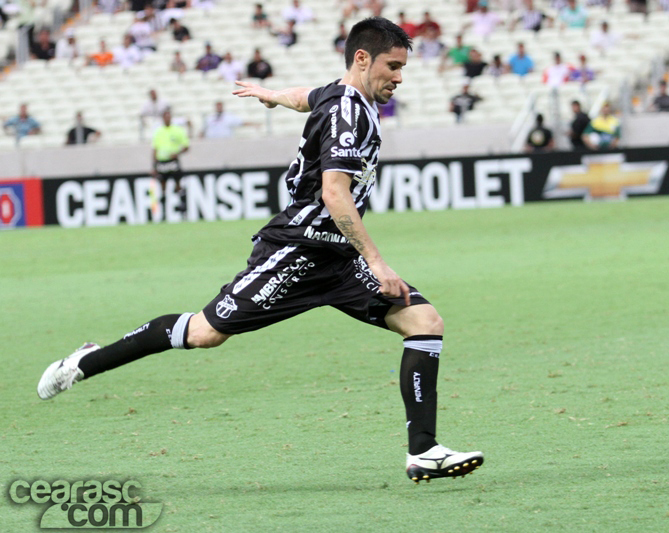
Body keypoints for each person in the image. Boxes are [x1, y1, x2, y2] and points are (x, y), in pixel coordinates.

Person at [37, 16, 484, 485]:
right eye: (393, 66)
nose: (399, 77)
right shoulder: (348, 111)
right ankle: (85, 362)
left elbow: (303, 97)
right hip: (297, 252)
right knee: (204, 333)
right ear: (362, 58)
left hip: (338, 261)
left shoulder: (340, 94)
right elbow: (335, 193)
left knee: (424, 321)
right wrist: (377, 260)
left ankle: (424, 451)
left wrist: (270, 96)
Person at [150, 109, 189, 217]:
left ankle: (183, 210)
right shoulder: (158, 131)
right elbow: (154, 149)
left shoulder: (178, 130)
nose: (167, 118)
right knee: (162, 187)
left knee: (178, 185)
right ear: (163, 118)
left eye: (168, 116)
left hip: (173, 162)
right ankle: (163, 213)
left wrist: (177, 153)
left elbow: (186, 146)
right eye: (165, 116)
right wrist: (154, 165)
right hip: (162, 162)